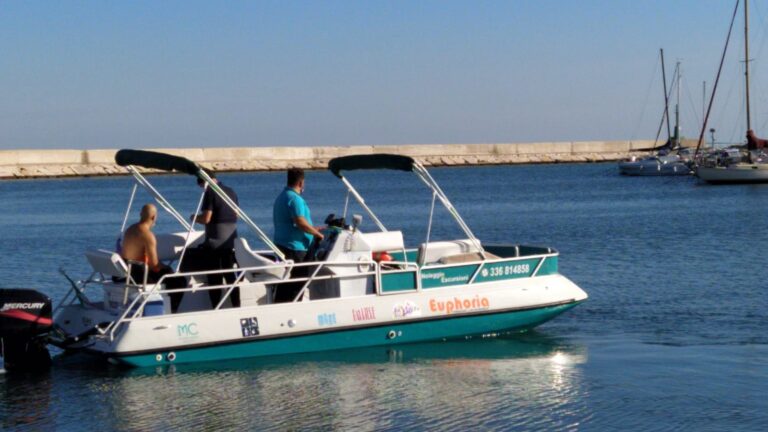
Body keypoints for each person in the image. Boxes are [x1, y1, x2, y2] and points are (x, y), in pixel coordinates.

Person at [187, 170, 241, 308]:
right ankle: (236, 305)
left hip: (215, 242)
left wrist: (194, 217)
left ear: (204, 182)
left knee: (214, 276)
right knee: (230, 275)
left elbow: (206, 218)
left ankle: (216, 307)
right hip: (230, 240)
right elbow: (237, 214)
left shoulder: (210, 192)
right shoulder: (231, 191)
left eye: (201, 186)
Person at [121, 203, 187, 313]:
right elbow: (154, 265)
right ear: (153, 217)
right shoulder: (148, 236)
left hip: (130, 272)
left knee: (167, 273)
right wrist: (168, 269)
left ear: (141, 214)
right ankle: (173, 310)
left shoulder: (130, 229)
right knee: (179, 281)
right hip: (141, 275)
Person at [272, 168, 324, 302]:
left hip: (282, 245)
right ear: (301, 183)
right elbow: (300, 222)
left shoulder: (282, 197)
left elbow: (291, 223)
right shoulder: (295, 199)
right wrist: (318, 234)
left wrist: (313, 228)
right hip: (295, 248)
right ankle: (293, 309)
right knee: (297, 284)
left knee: (287, 284)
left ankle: (282, 306)